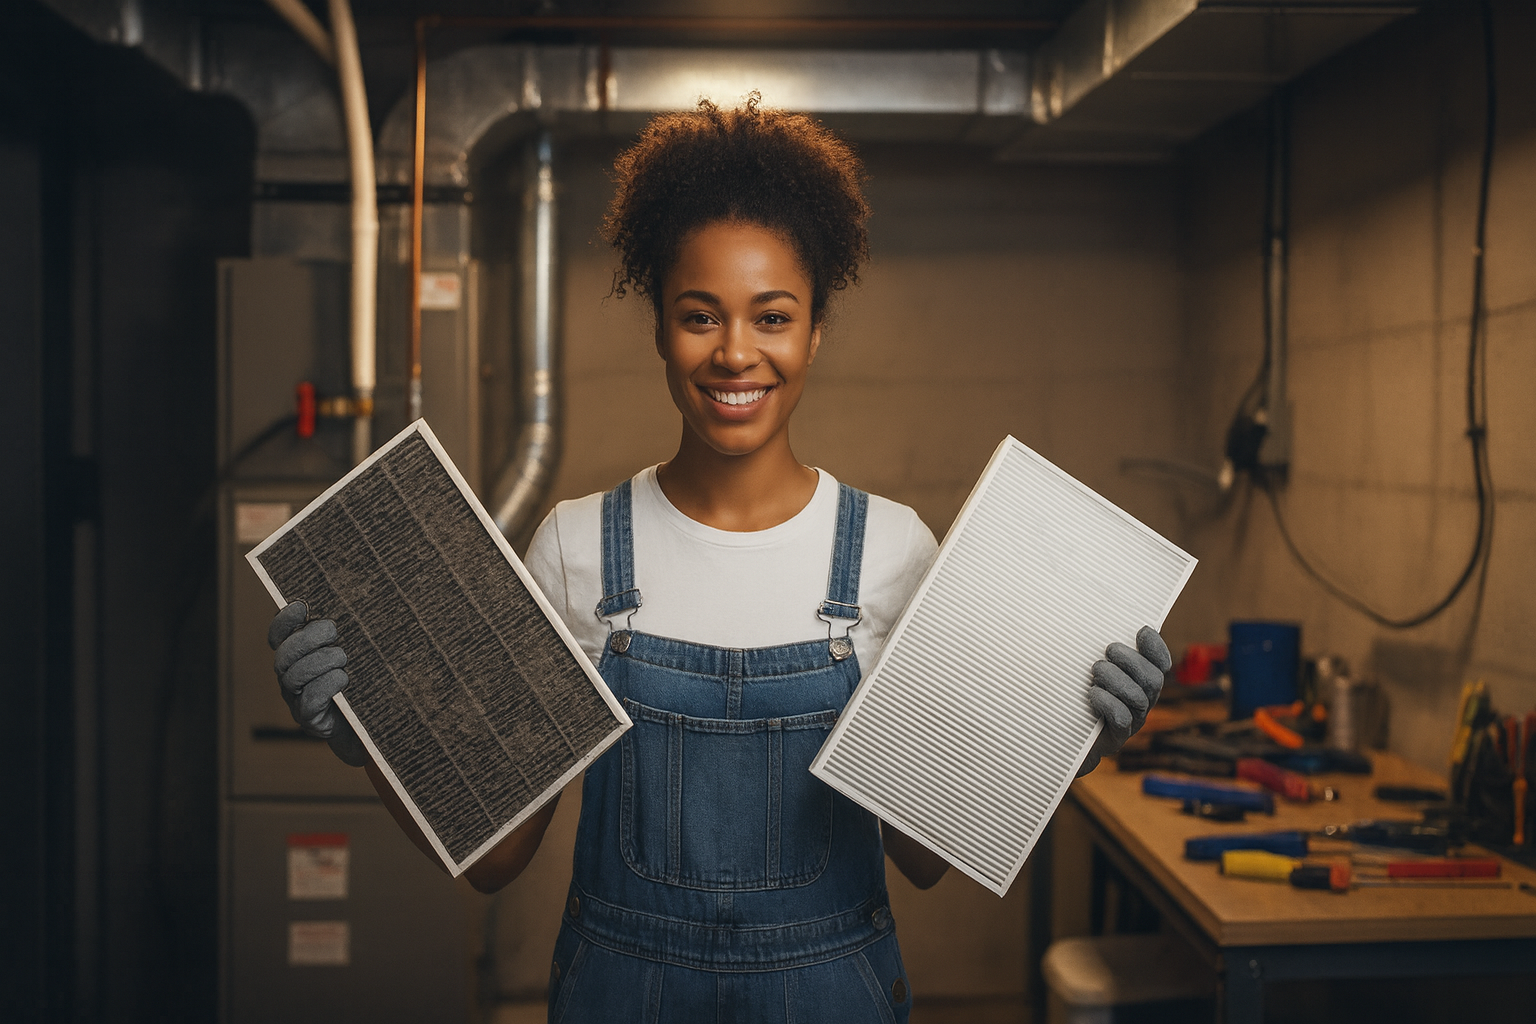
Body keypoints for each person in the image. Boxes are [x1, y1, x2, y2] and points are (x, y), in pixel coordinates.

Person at [268, 96, 1171, 1024]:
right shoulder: (575, 547)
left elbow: (927, 856)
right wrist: (369, 738)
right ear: (659, 327)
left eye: (772, 316)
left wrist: (1067, 738)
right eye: (700, 316)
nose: (736, 353)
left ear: (815, 330)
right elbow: (497, 858)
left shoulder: (895, 552)